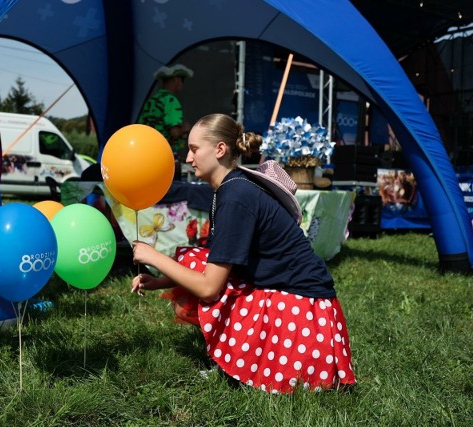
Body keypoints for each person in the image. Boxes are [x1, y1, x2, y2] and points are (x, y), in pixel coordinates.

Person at [131, 113, 356, 393]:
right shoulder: (232, 187)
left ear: (220, 150)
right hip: (299, 300)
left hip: (306, 314)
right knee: (196, 258)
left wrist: (154, 257)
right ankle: (232, 356)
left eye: (194, 149)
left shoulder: (235, 196)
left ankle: (243, 360)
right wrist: (161, 281)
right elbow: (217, 261)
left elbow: (210, 287)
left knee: (198, 271)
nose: (188, 158)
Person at [138, 63, 193, 179]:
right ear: (176, 79)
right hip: (164, 157)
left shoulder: (151, 101)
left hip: (145, 156)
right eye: (182, 80)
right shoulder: (171, 100)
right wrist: (186, 128)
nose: (182, 84)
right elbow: (174, 132)